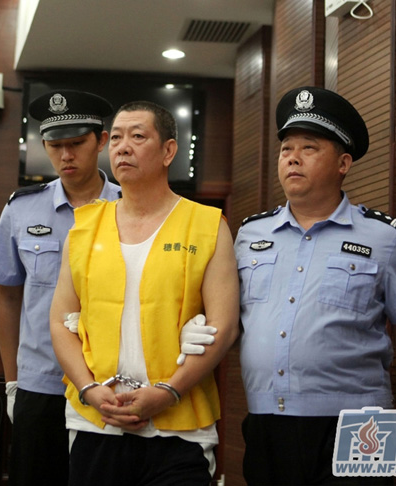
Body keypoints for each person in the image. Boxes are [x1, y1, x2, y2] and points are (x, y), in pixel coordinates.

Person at [233, 86, 396, 485]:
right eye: (286, 149)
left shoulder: (384, 237)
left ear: (343, 163)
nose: (292, 157)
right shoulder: (249, 235)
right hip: (267, 419)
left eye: (309, 148)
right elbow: (233, 322)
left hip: (361, 423)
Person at [50, 100, 239, 486]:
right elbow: (59, 322)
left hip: (180, 428)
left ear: (168, 151)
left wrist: (169, 391)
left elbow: (224, 327)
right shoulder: (83, 228)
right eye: (117, 138)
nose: (123, 147)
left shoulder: (206, 225)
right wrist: (88, 389)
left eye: (138, 136)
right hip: (96, 422)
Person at [0, 89, 120, 485]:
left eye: (76, 144)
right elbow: (8, 295)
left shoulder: (128, 207)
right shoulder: (21, 209)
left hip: (110, 384)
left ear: (101, 141)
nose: (65, 156)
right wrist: (12, 381)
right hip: (40, 384)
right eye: (55, 146)